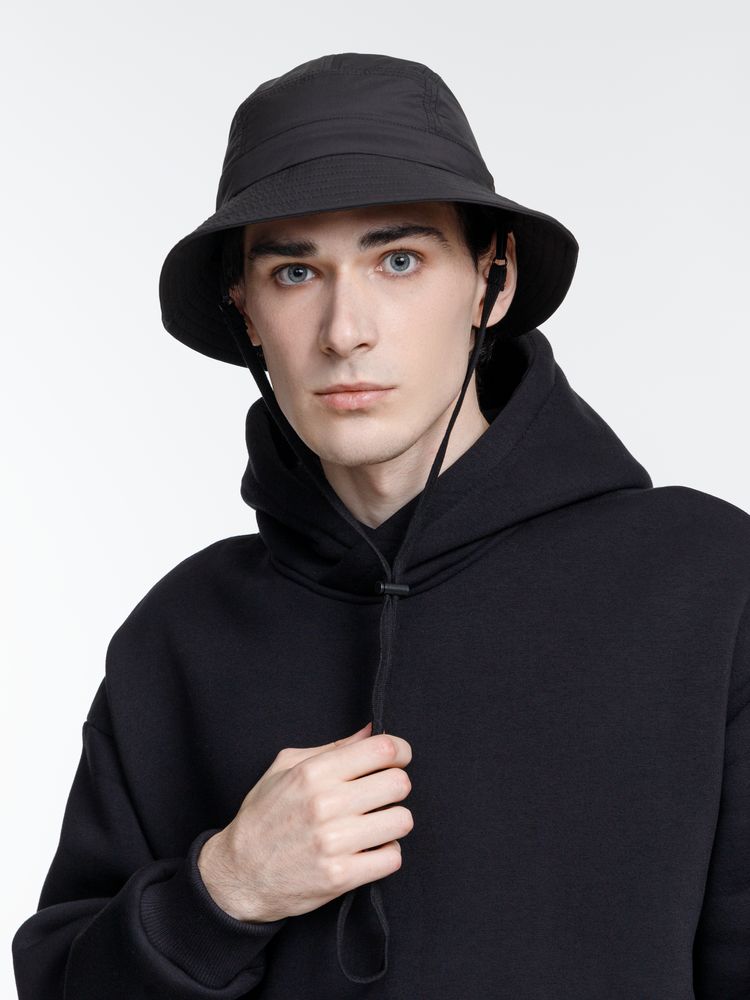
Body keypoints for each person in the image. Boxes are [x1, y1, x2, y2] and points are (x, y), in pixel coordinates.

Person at [12, 51, 750, 999]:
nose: (344, 330)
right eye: (293, 272)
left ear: (492, 281)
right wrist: (225, 891)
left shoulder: (708, 585)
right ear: (246, 311)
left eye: (399, 261)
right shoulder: (180, 634)